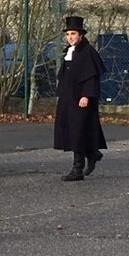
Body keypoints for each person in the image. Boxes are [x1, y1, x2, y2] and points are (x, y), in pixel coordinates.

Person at [54, 16, 107, 181]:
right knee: (73, 131)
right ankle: (92, 153)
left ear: (81, 35)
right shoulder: (69, 51)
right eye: (68, 34)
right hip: (69, 99)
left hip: (81, 99)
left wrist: (86, 96)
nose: (70, 37)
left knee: (78, 131)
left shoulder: (87, 52)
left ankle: (77, 169)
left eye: (73, 34)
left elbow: (91, 77)